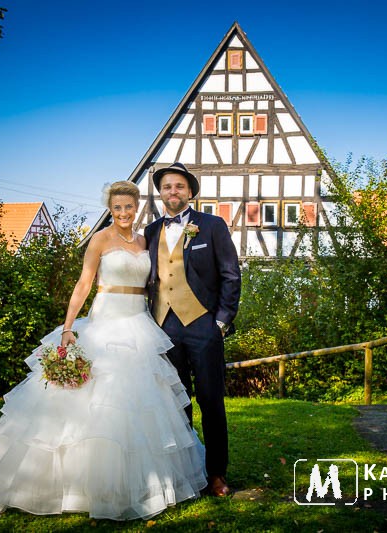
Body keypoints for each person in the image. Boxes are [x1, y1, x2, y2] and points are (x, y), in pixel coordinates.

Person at [0, 181, 207, 524]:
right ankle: (68, 485)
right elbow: (84, 283)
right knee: (84, 405)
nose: (124, 214)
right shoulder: (100, 239)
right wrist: (69, 327)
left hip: (138, 325)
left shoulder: (145, 240)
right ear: (110, 209)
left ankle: (138, 483)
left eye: (129, 207)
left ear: (137, 207)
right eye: (117, 208)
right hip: (105, 322)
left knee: (139, 403)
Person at [144, 162, 241, 498]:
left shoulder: (212, 226)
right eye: (167, 186)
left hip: (203, 325)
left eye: (179, 186)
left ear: (189, 192)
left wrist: (220, 322)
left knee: (211, 401)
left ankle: (216, 474)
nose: (173, 192)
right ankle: (184, 472)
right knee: (174, 403)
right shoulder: (152, 231)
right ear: (160, 192)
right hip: (163, 327)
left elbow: (231, 274)